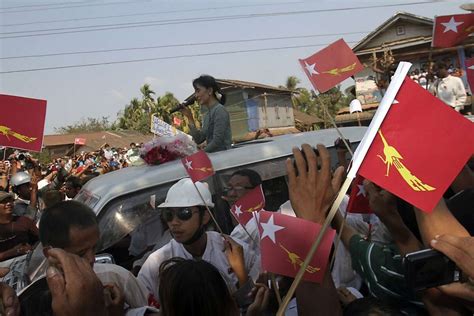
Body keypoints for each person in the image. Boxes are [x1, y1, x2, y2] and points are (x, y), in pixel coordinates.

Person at [138, 178, 259, 300]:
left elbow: (258, 294)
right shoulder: (157, 263)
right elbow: (140, 303)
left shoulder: (234, 250)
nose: (174, 222)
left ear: (205, 216)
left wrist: (241, 273)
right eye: (168, 214)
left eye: (184, 213)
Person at [39, 200, 150, 312]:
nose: (92, 258)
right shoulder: (33, 302)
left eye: (94, 248)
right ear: (51, 253)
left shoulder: (116, 277)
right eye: (81, 254)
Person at [181, 75, 232, 152]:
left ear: (209, 91)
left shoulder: (220, 110)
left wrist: (200, 155)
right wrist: (190, 118)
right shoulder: (207, 114)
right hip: (214, 159)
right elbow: (199, 139)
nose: (196, 95)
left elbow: (217, 141)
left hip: (224, 158)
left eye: (198, 91)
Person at [0, 191, 39, 261]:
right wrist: (13, 252)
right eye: (3, 202)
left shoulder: (24, 221)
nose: (9, 203)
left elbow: (41, 241)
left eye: (10, 201)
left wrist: (32, 248)